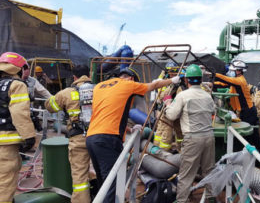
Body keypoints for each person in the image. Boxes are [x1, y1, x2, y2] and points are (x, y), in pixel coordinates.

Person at [86, 67, 180, 203]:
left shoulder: (100, 86)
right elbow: (153, 86)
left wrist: (129, 129)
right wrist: (172, 80)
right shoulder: (127, 84)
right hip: (108, 139)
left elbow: (108, 113)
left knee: (104, 182)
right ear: (131, 78)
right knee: (113, 182)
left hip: (92, 137)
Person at [164, 64, 216, 203]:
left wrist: (168, 104)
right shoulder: (207, 96)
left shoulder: (183, 95)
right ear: (200, 80)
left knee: (186, 175)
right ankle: (211, 199)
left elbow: (172, 116)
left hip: (193, 139)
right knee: (209, 171)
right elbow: (213, 111)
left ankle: (182, 201)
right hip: (209, 137)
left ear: (187, 80)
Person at [45, 65, 92, 202]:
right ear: (88, 75)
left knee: (80, 178)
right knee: (105, 171)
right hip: (99, 136)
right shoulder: (99, 89)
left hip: (78, 138)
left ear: (74, 77)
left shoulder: (66, 92)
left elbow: (50, 106)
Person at [0, 52, 36, 202]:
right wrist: (29, 137)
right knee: (5, 183)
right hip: (5, 144)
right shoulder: (16, 85)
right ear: (18, 69)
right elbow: (19, 113)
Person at [214, 60, 260, 152]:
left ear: (238, 71)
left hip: (249, 112)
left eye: (232, 70)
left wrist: (215, 75)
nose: (230, 72)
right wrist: (212, 83)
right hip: (244, 112)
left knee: (251, 137)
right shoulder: (235, 81)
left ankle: (258, 159)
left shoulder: (240, 81)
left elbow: (227, 79)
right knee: (248, 137)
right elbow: (223, 83)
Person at [153, 61, 183, 152]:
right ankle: (161, 150)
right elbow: (162, 96)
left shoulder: (181, 80)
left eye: (174, 71)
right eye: (170, 71)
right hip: (165, 109)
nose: (172, 74)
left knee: (179, 131)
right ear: (167, 72)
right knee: (165, 130)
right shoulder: (162, 81)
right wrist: (172, 86)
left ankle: (181, 149)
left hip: (177, 109)